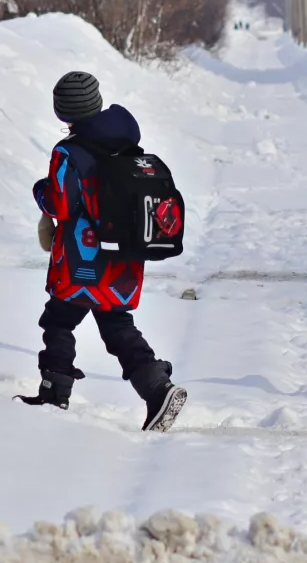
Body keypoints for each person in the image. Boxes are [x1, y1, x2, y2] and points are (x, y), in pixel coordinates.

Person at [19, 71, 189, 432]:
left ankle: (54, 391)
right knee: (114, 321)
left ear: (62, 113)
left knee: (58, 320)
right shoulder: (125, 141)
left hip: (83, 259)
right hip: (124, 254)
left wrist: (39, 190)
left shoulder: (69, 151)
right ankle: (157, 388)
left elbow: (61, 204)